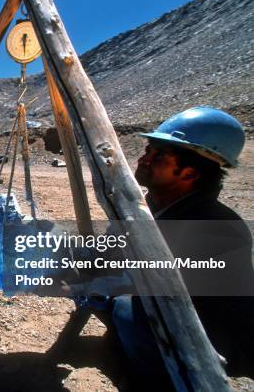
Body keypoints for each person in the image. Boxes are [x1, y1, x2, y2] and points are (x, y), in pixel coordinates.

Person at [107, 106, 253, 388]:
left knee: (125, 309)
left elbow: (150, 280)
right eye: (148, 149)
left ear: (189, 173)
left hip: (219, 334)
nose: (143, 158)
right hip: (175, 304)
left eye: (157, 155)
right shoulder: (154, 204)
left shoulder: (216, 226)